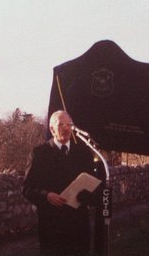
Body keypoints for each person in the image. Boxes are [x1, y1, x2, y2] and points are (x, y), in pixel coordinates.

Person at [22, 110, 96, 256]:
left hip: (78, 223)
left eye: (69, 124)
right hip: (52, 223)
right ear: (51, 128)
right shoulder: (39, 153)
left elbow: (92, 184)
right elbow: (27, 188)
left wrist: (85, 194)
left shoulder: (83, 152)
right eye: (61, 124)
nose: (66, 128)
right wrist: (46, 195)